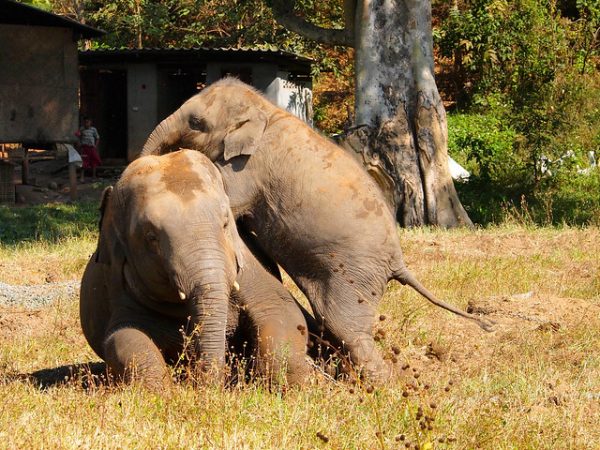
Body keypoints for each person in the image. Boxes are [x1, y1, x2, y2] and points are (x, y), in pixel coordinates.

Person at [75, 117, 101, 181]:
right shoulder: (82, 129)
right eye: (85, 122)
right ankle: (82, 177)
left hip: (92, 148)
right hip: (85, 148)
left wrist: (95, 146)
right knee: (84, 162)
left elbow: (97, 137)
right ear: (84, 123)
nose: (86, 124)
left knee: (94, 161)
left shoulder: (93, 129)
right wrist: (79, 143)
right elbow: (77, 135)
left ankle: (94, 177)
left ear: (90, 122)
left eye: (88, 122)